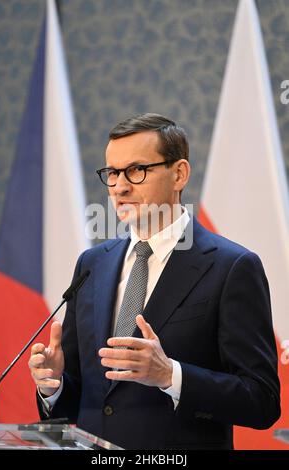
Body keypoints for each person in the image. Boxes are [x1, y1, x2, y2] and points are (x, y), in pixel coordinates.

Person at [29, 113, 280, 450]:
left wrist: (170, 375)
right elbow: (91, 401)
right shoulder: (91, 265)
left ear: (179, 174)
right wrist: (54, 385)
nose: (119, 186)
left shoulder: (232, 267)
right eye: (113, 173)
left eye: (136, 170)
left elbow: (261, 401)